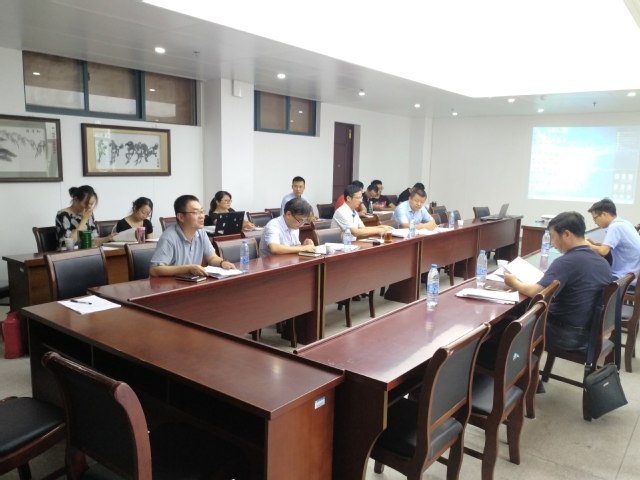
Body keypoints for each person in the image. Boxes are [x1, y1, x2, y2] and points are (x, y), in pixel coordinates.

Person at [504, 211, 611, 352]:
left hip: (563, 334)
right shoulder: (602, 262)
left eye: (553, 237)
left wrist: (513, 282)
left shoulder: (566, 262)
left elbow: (538, 293)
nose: (552, 243)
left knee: (507, 325)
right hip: (588, 331)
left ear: (566, 234)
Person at [149, 195, 234, 277]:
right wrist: (188, 269)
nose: (202, 216)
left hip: (191, 282)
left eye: (202, 212)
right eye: (196, 212)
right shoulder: (168, 238)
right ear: (181, 217)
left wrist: (222, 262)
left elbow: (212, 258)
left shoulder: (201, 233)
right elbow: (154, 270)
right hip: (171, 284)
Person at [586, 198, 640, 285]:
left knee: (588, 279)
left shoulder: (615, 227)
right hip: (634, 273)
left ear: (604, 214)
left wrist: (586, 244)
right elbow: (610, 246)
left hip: (625, 278)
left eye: (595, 218)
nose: (595, 222)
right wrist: (593, 244)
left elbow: (603, 251)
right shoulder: (625, 223)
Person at [55, 185, 116, 250]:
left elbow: (93, 241)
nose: (89, 207)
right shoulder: (62, 215)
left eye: (91, 204)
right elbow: (70, 242)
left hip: (86, 251)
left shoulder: (88, 213)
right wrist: (84, 220)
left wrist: (107, 238)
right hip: (67, 253)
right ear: (75, 199)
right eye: (86, 204)